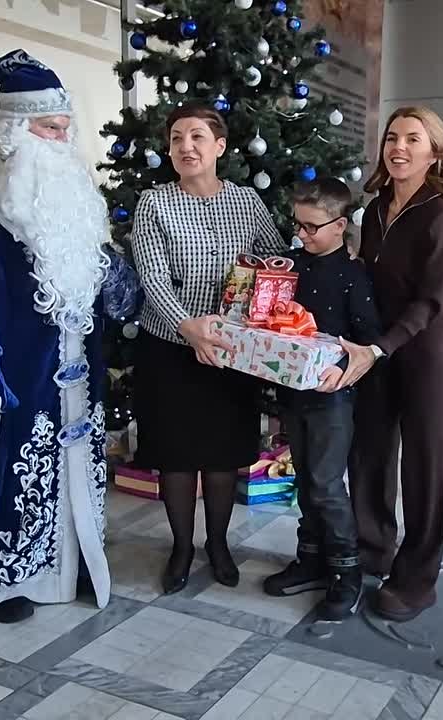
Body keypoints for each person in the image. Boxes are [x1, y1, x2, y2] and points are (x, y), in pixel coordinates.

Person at [0, 50, 141, 623]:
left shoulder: (71, 196)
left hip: (78, 370)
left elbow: (102, 278)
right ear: (15, 130)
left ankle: (71, 563)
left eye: (64, 128)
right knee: (9, 476)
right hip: (18, 373)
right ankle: (5, 584)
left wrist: (116, 279)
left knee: (76, 467)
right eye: (50, 128)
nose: (61, 139)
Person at [130, 104, 289, 595]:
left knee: (224, 454)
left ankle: (218, 544)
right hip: (169, 349)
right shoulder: (154, 204)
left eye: (197, 136)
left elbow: (275, 260)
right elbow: (152, 278)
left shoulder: (246, 201)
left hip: (232, 351)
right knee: (176, 455)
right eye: (177, 138)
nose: (186, 146)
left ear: (219, 146)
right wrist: (189, 328)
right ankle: (181, 547)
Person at [334, 106, 443, 622]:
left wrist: (380, 347)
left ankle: (417, 579)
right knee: (368, 456)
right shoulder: (375, 210)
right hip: (375, 352)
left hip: (422, 357)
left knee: (425, 469)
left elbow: (433, 299)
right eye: (393, 137)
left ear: (434, 152)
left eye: (414, 139)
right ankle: (372, 550)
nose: (399, 147)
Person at [261, 179, 380, 620]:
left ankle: (347, 572)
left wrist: (342, 367)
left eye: (312, 227)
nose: (302, 234)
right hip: (293, 393)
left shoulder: (353, 275)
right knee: (306, 480)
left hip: (333, 398)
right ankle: (309, 560)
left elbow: (367, 338)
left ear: (340, 225)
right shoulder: (289, 266)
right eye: (298, 225)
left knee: (327, 484)